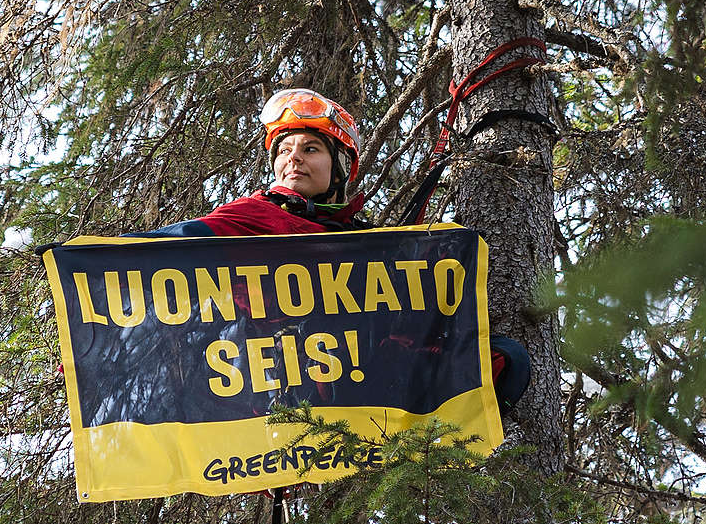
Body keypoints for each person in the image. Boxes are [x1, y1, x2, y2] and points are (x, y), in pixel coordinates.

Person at [145, 88, 533, 411]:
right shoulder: (255, 216)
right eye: (284, 150)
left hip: (366, 377)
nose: (293, 157)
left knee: (506, 358)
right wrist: (92, 259)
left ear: (339, 168)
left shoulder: (361, 242)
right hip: (289, 384)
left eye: (311, 149)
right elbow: (175, 242)